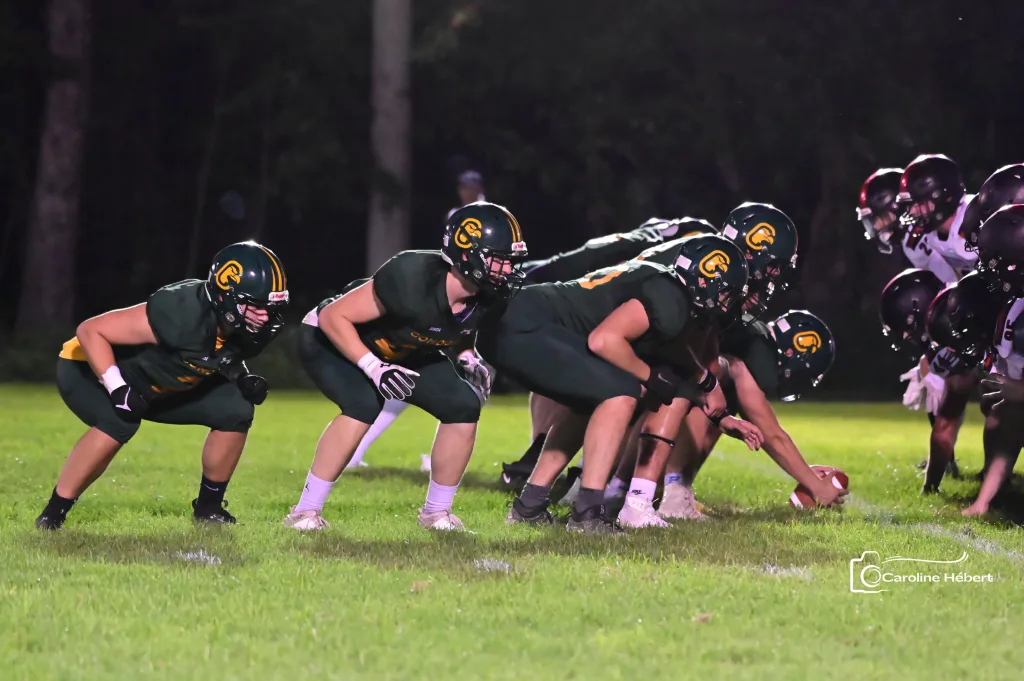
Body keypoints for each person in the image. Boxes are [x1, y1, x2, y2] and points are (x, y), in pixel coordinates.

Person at [481, 233, 750, 533]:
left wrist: (709, 391)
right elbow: (603, 341)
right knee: (621, 392)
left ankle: (529, 505)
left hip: (520, 322)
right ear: (706, 282)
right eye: (728, 293)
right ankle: (587, 515)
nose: (729, 303)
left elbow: (672, 358)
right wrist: (649, 376)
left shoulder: (670, 292)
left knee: (593, 398)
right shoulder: (671, 299)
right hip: (527, 327)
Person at [284, 202, 527, 532]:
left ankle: (436, 513)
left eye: (511, 262)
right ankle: (304, 512)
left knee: (463, 405)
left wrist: (466, 356)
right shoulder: (411, 275)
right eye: (499, 261)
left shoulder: (493, 298)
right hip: (333, 340)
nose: (507, 270)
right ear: (467, 254)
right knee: (363, 404)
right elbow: (333, 317)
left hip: (400, 351)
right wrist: (372, 366)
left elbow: (458, 329)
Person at [36, 242, 289, 529]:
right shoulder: (181, 312)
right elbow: (91, 331)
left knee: (236, 408)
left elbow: (218, 354)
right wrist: (117, 388)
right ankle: (53, 514)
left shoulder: (248, 328)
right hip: (88, 369)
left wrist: (241, 377)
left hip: (157, 384)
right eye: (254, 306)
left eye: (270, 306)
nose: (264, 316)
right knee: (120, 420)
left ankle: (209, 509)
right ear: (224, 296)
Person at [654, 311, 845, 519]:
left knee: (722, 399)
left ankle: (669, 488)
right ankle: (672, 489)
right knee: (713, 390)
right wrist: (816, 486)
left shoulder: (754, 338)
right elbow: (771, 434)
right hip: (662, 383)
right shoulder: (758, 351)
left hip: (655, 378)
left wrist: (807, 474)